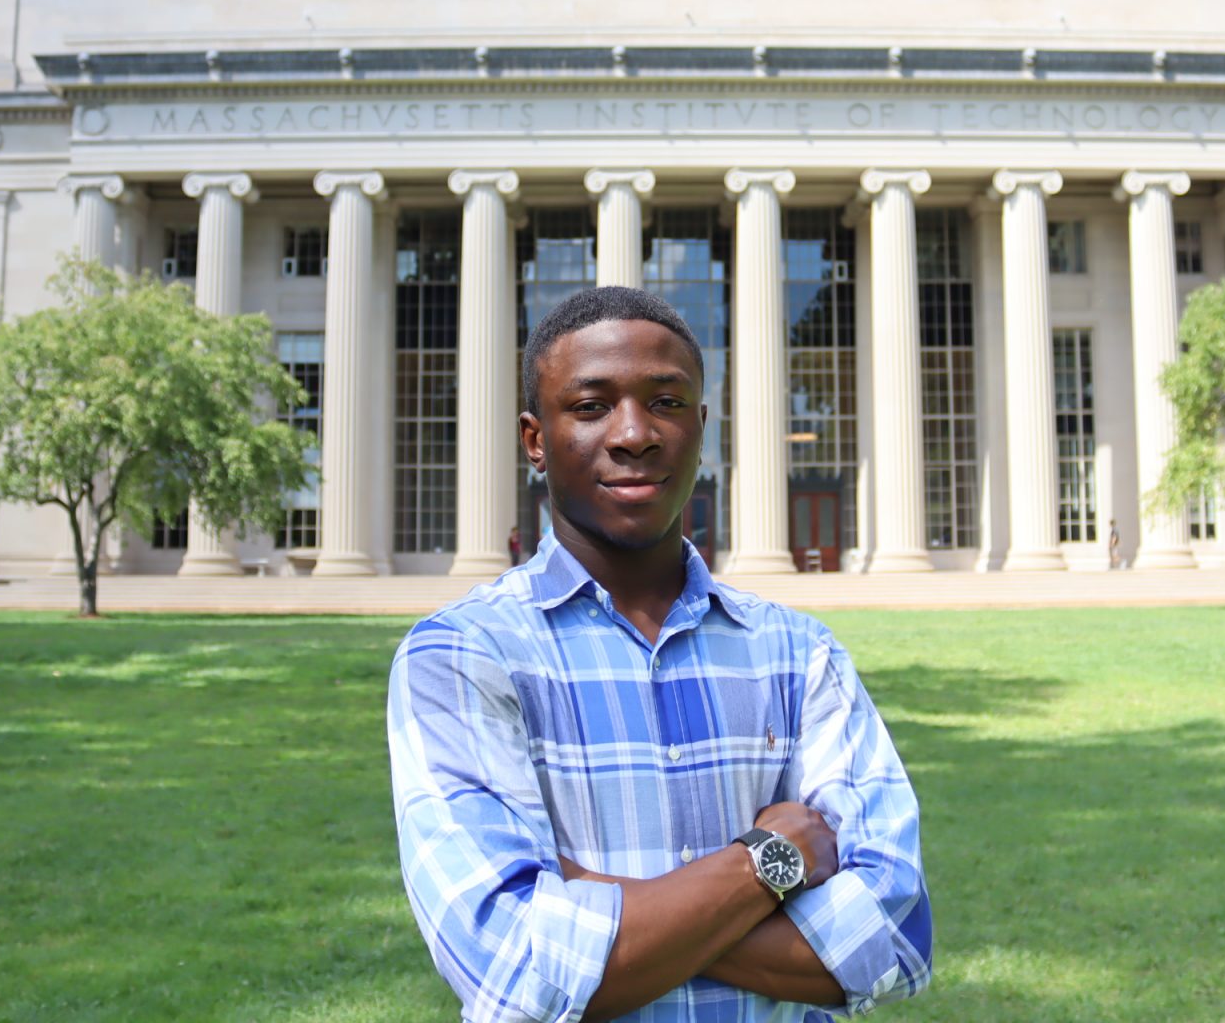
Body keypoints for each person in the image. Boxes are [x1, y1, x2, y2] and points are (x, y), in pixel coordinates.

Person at [388, 287, 931, 1021]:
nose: (635, 433)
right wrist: (769, 863)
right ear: (534, 440)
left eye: (667, 402)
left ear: (702, 428)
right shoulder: (462, 656)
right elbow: (513, 962)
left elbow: (892, 941)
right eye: (590, 406)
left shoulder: (800, 655)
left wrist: (593, 893)